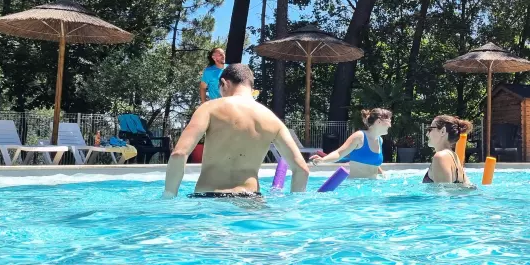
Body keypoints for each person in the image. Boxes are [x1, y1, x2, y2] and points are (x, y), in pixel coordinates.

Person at [164, 64, 310, 198]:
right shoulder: (273, 120)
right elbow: (302, 169)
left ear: (224, 83)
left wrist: (168, 196)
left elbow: (179, 154)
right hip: (252, 201)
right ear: (251, 88)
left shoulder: (209, 108)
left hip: (209, 200)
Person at [310, 108, 392, 179]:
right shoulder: (359, 137)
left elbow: (373, 163)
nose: (390, 125)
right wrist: (323, 160)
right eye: (389, 121)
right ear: (378, 122)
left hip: (373, 186)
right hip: (356, 186)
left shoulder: (379, 140)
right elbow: (339, 153)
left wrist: (382, 174)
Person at [422, 115, 474, 186]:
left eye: (430, 129)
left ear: (443, 131)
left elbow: (444, 192)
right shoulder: (454, 157)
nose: (427, 134)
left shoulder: (440, 157)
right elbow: (469, 186)